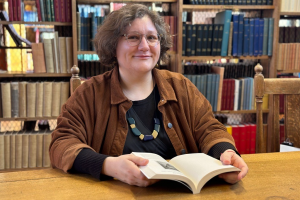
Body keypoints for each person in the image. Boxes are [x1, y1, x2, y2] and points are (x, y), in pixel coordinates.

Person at [49, 4, 248, 187]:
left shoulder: (180, 87)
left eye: (152, 37)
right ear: (113, 45)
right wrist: (108, 165)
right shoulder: (89, 93)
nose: (144, 46)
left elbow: (209, 128)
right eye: (133, 37)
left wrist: (226, 154)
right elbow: (62, 143)